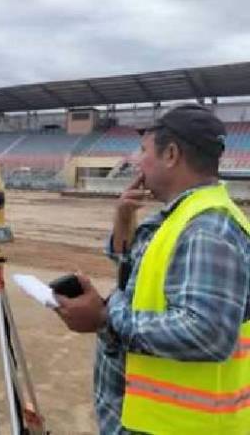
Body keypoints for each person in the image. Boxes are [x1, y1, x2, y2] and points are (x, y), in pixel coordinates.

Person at [54, 104, 250, 435]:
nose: (136, 161)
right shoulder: (183, 217)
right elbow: (141, 277)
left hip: (180, 426)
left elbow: (206, 335)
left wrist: (105, 317)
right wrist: (123, 219)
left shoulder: (206, 229)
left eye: (143, 151)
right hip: (151, 420)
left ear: (171, 154)